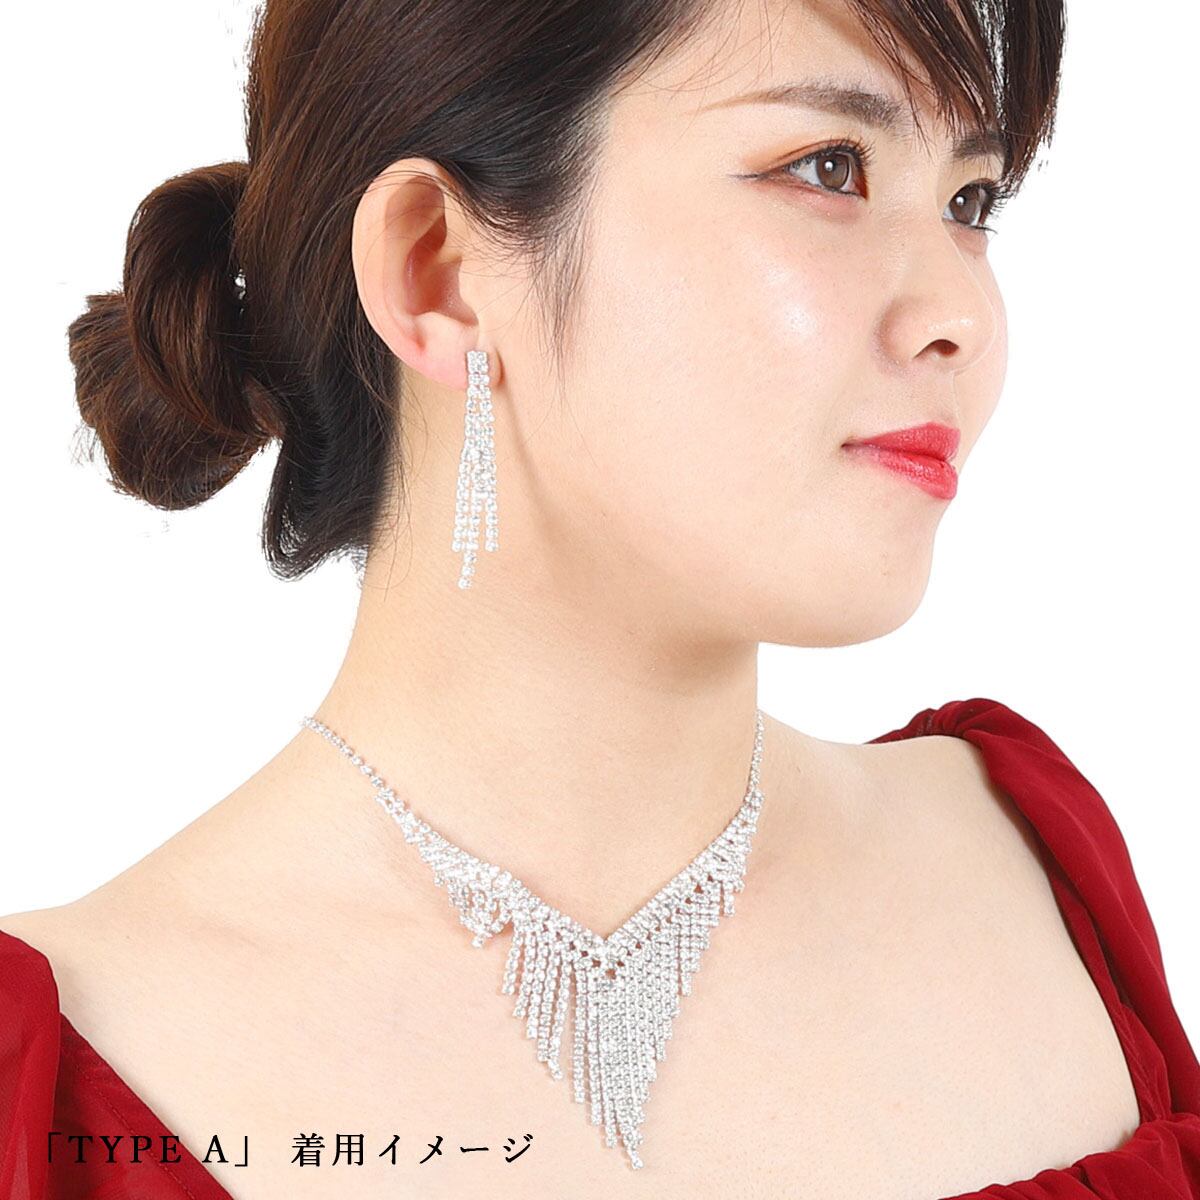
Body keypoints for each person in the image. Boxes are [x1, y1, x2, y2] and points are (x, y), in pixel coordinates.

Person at [3, 0, 1198, 1196]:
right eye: (829, 168)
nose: (963, 318)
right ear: (440, 271)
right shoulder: (57, 1077)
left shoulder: (1038, 860)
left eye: (970, 201)